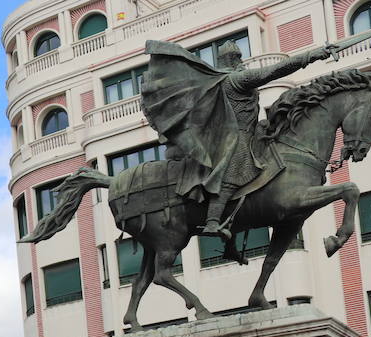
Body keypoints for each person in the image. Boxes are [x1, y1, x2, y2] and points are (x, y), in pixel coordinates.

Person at [141, 38, 336, 242]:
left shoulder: (222, 79)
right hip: (237, 137)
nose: (242, 61)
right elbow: (275, 70)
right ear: (234, 59)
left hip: (254, 132)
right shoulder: (236, 79)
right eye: (239, 57)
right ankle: (213, 221)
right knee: (235, 168)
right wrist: (313, 55)